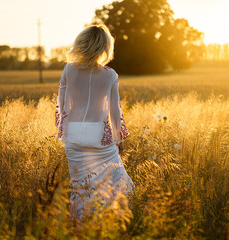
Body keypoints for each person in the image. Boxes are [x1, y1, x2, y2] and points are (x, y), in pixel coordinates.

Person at [55, 24, 134, 221]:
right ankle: (112, 220)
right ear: (104, 47)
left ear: (82, 44)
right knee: (119, 183)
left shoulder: (69, 70)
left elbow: (61, 103)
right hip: (100, 136)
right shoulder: (110, 75)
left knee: (80, 187)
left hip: (73, 135)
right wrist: (119, 138)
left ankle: (80, 224)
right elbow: (115, 110)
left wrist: (62, 129)